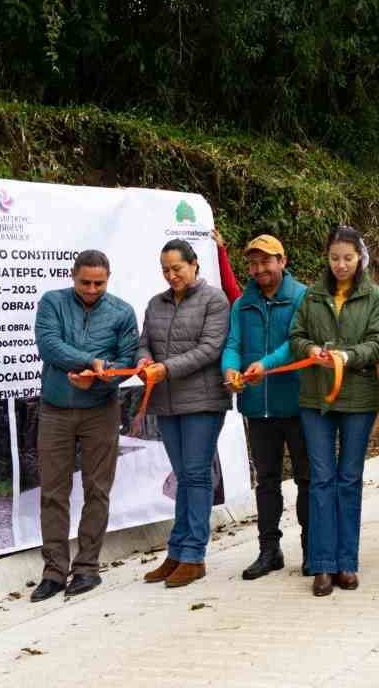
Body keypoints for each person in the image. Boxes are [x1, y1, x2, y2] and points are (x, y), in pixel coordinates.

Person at [289, 226, 379, 597]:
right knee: (320, 478)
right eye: (334, 257)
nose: (340, 264)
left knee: (348, 478)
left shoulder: (376, 296)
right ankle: (322, 564)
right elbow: (296, 335)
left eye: (348, 258)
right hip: (315, 399)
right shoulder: (312, 294)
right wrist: (310, 351)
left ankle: (346, 562)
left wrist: (347, 356)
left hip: (357, 398)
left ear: (360, 258)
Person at [30, 250, 139, 602]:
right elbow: (50, 347)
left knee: (97, 489)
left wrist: (98, 380)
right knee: (53, 491)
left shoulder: (122, 312)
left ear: (109, 278)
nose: (92, 289)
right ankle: (53, 571)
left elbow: (126, 362)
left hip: (101, 411)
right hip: (55, 409)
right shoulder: (52, 303)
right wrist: (90, 362)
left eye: (99, 283)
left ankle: (87, 567)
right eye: (85, 282)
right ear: (72, 275)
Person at [134, 240, 231, 588]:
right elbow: (144, 342)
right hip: (166, 402)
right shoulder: (155, 304)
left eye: (177, 268)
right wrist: (144, 361)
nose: (171, 275)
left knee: (196, 474)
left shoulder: (214, 300)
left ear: (194, 265)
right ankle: (176, 552)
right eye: (165, 269)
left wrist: (166, 369)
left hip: (203, 401)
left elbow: (210, 349)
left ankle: (193, 555)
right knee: (182, 475)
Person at [222, 234, 310, 580]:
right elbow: (233, 343)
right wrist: (229, 368)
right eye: (254, 263)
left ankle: (312, 549)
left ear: (282, 261)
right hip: (257, 407)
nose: (259, 269)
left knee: (307, 479)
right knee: (268, 482)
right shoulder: (242, 304)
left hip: (299, 404)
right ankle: (268, 550)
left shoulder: (301, 297)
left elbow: (298, 343)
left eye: (266, 261)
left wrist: (265, 364)